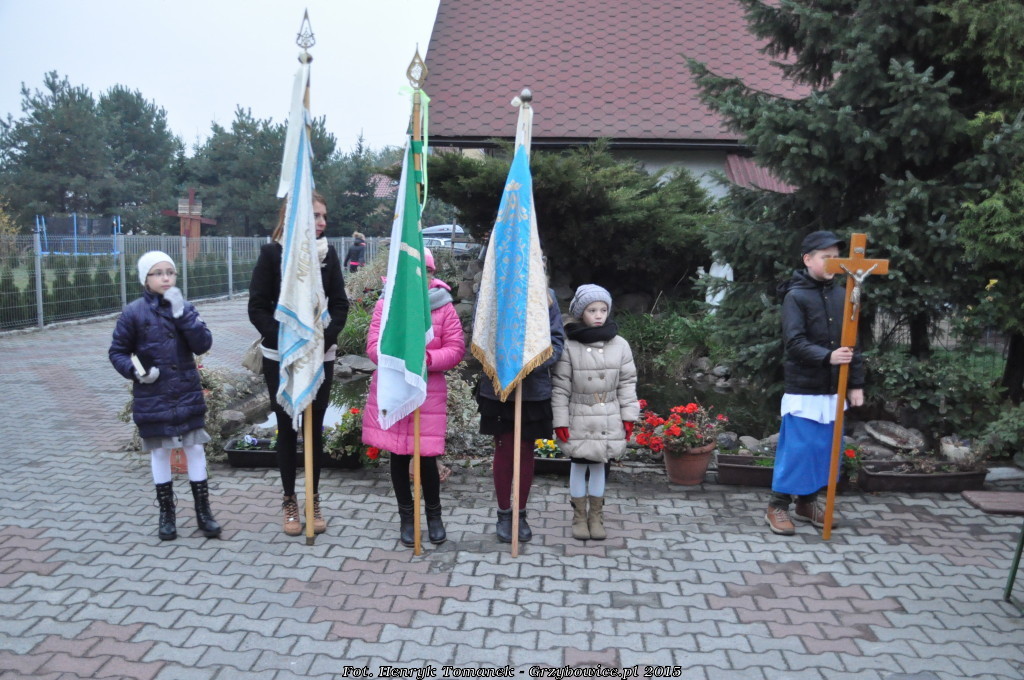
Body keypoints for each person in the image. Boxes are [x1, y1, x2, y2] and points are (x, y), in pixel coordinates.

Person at [248, 191, 349, 536]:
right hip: (282, 357)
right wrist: (287, 341)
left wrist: (323, 340)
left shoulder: (327, 254)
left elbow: (340, 304)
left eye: (324, 216)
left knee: (313, 428)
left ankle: (313, 498)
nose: (322, 222)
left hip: (320, 356)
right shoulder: (272, 254)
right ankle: (290, 498)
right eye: (315, 216)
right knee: (287, 427)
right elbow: (257, 306)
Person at [108, 251, 220, 541]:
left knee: (195, 449)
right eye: (157, 273)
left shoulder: (186, 307)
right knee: (160, 452)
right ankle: (167, 513)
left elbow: (202, 344)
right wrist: (136, 372)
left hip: (186, 392)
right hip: (154, 396)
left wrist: (183, 314)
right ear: (145, 279)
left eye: (170, 272)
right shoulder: (133, 312)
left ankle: (204, 512)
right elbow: (118, 351)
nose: (165, 278)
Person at [362, 248, 466, 546]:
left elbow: (456, 348)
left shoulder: (443, 306)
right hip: (395, 388)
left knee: (427, 457)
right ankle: (407, 517)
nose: (421, 277)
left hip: (427, 392)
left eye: (427, 271)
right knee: (398, 456)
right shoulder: (387, 304)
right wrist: (400, 357)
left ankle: (434, 516)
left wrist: (425, 360)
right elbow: (373, 346)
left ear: (432, 274)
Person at [766, 230, 865, 535]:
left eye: (837, 257)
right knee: (799, 448)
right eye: (826, 257)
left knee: (825, 449)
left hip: (834, 388)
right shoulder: (795, 296)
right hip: (805, 387)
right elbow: (794, 342)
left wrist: (856, 383)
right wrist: (827, 357)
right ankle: (778, 505)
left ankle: (807, 503)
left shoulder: (845, 294)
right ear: (808, 260)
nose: (833, 262)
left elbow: (854, 342)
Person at [476, 289, 565, 544]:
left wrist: (528, 363)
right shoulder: (491, 290)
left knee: (525, 450)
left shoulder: (546, 295)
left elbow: (556, 342)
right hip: (499, 387)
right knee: (504, 448)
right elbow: (479, 337)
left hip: (532, 389)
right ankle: (504, 513)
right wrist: (506, 361)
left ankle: (520, 513)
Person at [551, 285, 639, 540]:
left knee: (600, 464)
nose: (598, 315)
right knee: (579, 464)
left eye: (603, 309)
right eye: (592, 310)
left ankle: (596, 516)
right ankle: (579, 516)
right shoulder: (569, 345)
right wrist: (560, 420)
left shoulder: (620, 345)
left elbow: (627, 382)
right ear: (581, 313)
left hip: (609, 413)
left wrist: (629, 416)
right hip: (579, 413)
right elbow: (560, 386)